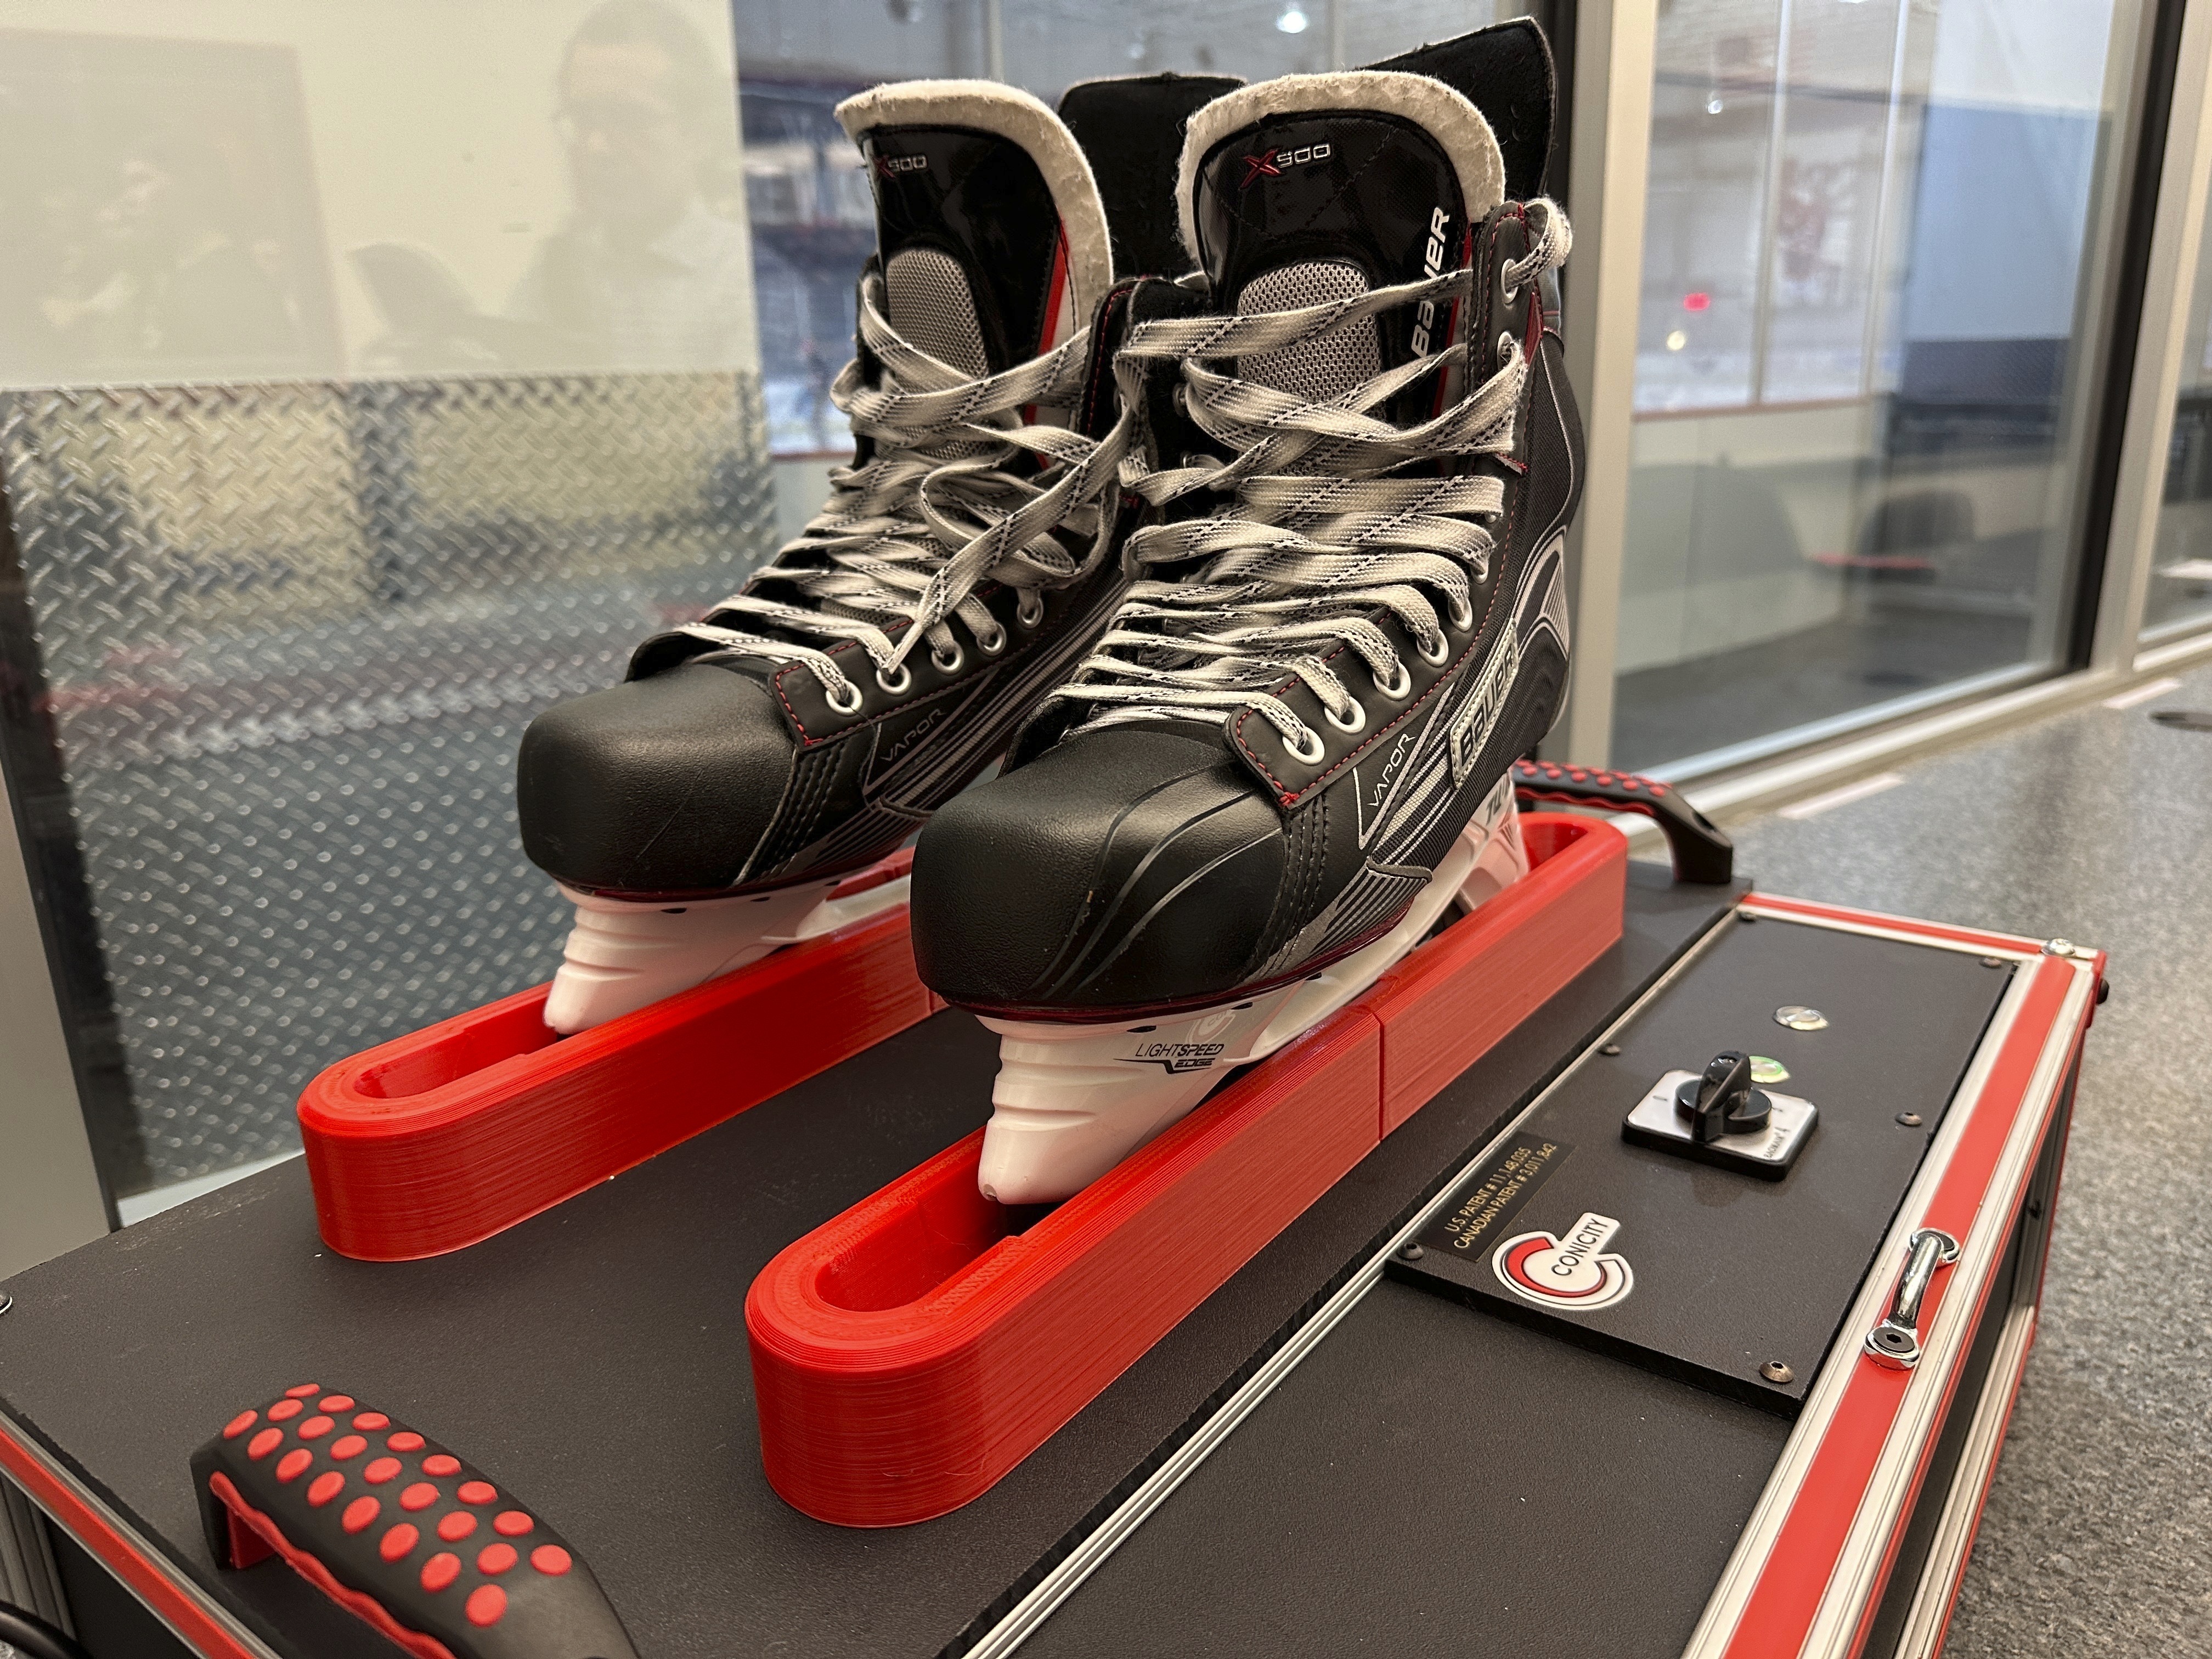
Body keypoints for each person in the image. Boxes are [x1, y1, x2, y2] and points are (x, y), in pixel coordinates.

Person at [507, 0, 751, 373]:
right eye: (582, 119)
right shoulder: (554, 271)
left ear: (699, 134)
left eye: (627, 118)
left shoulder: (742, 280)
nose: (596, 147)